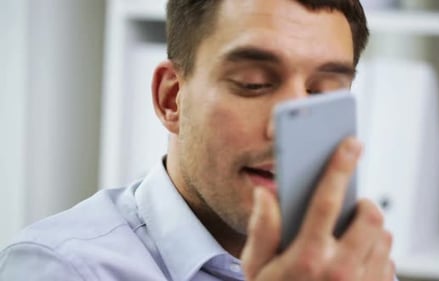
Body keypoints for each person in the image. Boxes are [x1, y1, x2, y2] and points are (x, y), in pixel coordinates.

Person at [0, 0, 396, 280]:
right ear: (171, 98)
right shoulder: (62, 269)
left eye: (323, 92)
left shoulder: (354, 268)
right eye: (253, 85)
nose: (288, 131)